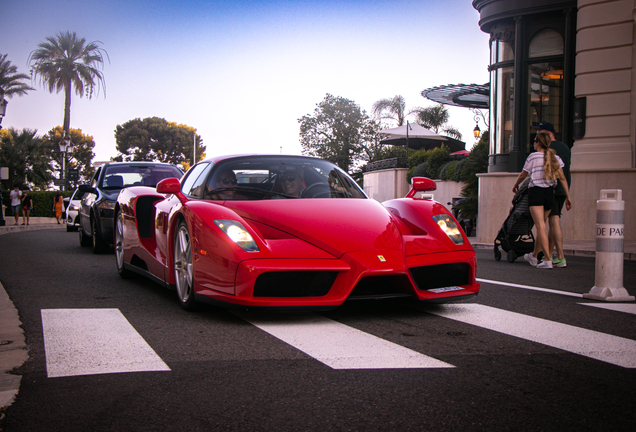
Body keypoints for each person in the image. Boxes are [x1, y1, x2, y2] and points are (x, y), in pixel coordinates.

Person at [512, 132, 572, 269]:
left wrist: (516, 185)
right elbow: (562, 178)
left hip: (537, 193)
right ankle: (534, 256)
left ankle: (547, 260)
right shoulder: (555, 158)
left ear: (537, 142)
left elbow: (523, 175)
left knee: (540, 227)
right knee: (542, 227)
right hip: (550, 194)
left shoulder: (533, 157)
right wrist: (568, 197)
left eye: (534, 140)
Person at [536, 122, 571, 268]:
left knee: (553, 221)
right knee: (552, 221)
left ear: (550, 133)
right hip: (564, 188)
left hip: (552, 188)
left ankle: (560, 256)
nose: (538, 136)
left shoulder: (549, 149)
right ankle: (548, 254)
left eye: (541, 133)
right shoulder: (565, 147)